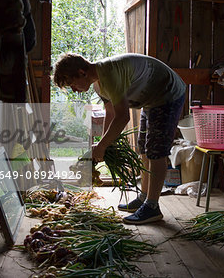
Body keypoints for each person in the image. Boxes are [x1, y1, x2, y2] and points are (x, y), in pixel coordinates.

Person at [53, 53, 186, 224]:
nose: (74, 89)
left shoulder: (108, 74)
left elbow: (123, 117)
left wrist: (102, 146)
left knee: (156, 150)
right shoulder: (98, 85)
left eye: (72, 84)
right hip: (151, 99)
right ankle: (145, 197)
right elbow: (111, 112)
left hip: (168, 93)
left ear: (82, 72)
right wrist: (103, 144)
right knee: (144, 148)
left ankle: (152, 206)